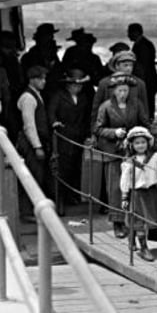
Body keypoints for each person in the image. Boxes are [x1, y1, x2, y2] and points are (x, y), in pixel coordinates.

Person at [95, 72, 150, 238]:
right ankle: (117, 222)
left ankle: (134, 221)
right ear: (114, 91)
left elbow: (145, 122)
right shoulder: (105, 107)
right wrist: (114, 132)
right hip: (114, 152)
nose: (123, 94)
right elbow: (97, 129)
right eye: (120, 91)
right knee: (115, 188)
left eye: (125, 90)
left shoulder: (136, 104)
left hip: (132, 152)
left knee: (135, 185)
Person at [120, 126, 157, 261]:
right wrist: (125, 196)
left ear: (148, 143)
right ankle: (143, 248)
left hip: (151, 193)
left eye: (143, 142)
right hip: (136, 193)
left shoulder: (155, 157)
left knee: (146, 221)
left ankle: (134, 238)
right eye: (137, 143)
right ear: (131, 145)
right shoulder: (129, 162)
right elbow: (125, 180)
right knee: (138, 221)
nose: (140, 145)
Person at [48, 68, 92, 210]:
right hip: (63, 136)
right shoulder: (59, 96)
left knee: (75, 167)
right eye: (74, 85)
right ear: (68, 85)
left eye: (79, 85)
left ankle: (73, 196)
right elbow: (51, 112)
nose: (77, 88)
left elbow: (86, 118)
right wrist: (55, 122)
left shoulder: (83, 98)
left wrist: (88, 134)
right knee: (62, 168)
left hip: (78, 136)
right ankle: (59, 199)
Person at [16, 65, 52, 223]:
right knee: (32, 175)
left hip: (37, 141)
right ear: (32, 80)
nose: (44, 82)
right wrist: (37, 146)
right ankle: (26, 211)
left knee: (38, 175)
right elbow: (29, 125)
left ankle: (32, 209)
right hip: (30, 144)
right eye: (40, 79)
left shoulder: (36, 95)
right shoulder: (29, 98)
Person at [91, 50, 149, 126]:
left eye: (131, 65)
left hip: (133, 128)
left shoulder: (139, 84)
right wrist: (94, 132)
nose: (129, 68)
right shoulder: (104, 83)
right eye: (125, 65)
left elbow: (145, 110)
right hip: (109, 128)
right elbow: (96, 109)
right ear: (117, 66)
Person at [128, 23, 157, 117]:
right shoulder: (143, 44)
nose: (128, 35)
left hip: (147, 82)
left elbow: (144, 67)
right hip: (148, 82)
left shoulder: (143, 46)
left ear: (136, 32)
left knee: (147, 108)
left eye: (130, 32)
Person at [20, 22, 62, 92]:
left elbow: (58, 70)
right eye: (49, 35)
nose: (52, 38)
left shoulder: (51, 54)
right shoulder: (31, 55)